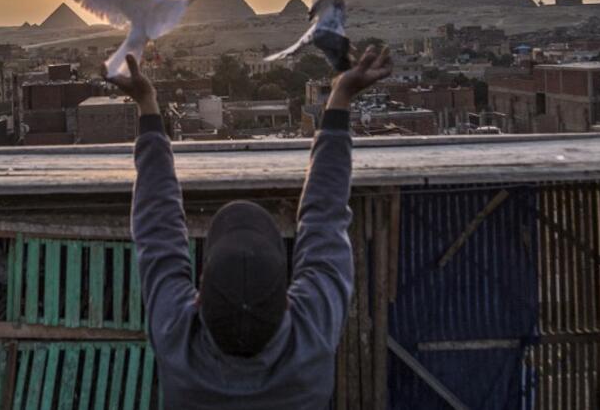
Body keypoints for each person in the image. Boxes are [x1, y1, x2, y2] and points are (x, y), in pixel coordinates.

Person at [106, 45, 393, 409]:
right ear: (289, 301)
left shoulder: (178, 338)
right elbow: (325, 216)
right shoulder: (311, 335)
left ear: (197, 299)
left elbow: (157, 225)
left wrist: (146, 104)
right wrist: (341, 96)